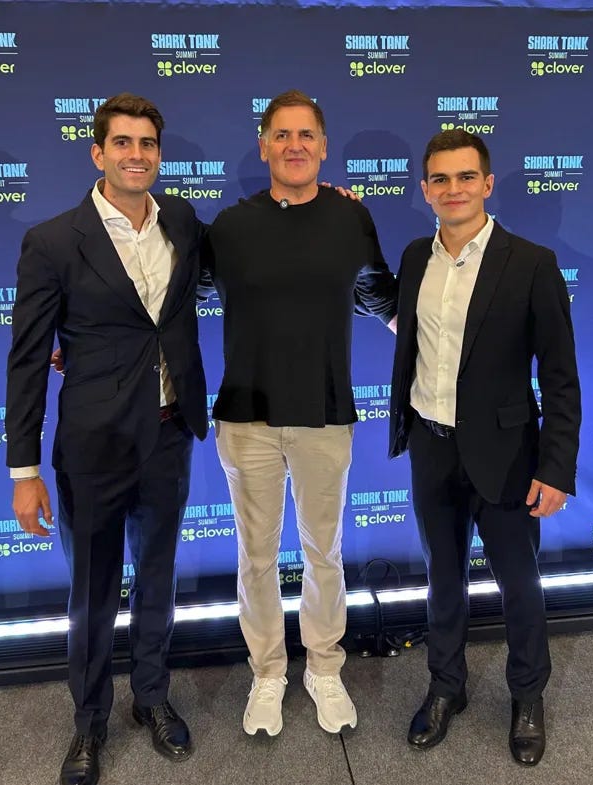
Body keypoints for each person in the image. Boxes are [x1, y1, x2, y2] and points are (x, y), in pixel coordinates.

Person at [6, 93, 208, 785]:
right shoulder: (54, 241)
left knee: (156, 580)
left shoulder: (180, 219)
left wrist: (321, 201)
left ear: (158, 152)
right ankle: (88, 722)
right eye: (122, 143)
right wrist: (22, 468)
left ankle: (151, 698)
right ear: (98, 154)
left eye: (147, 143)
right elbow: (29, 358)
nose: (136, 154)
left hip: (168, 435)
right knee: (92, 594)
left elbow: (241, 255)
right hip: (91, 449)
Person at [204, 90, 397, 737]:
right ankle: (266, 673)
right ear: (263, 146)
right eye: (281, 135)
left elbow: (381, 298)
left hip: (324, 414)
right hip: (247, 418)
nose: (294, 145)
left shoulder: (350, 220)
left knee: (325, 552)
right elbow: (166, 298)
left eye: (305, 135)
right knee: (255, 556)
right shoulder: (227, 229)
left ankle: (322, 666)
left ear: (322, 144)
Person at [389, 129, 580, 765]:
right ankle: (447, 688)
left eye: (465, 177)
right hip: (431, 447)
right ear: (424, 190)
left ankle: (528, 695)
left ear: (488, 184)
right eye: (440, 179)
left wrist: (555, 466)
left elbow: (559, 376)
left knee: (519, 583)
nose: (453, 190)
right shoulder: (416, 256)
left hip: (508, 455)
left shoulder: (531, 262)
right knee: (443, 580)